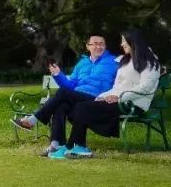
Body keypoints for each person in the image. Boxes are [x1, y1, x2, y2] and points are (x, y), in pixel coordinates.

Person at [49, 28, 161, 159]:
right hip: (117, 100)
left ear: (133, 42)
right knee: (81, 107)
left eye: (124, 41)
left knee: (82, 107)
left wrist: (120, 97)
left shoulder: (150, 62)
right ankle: (79, 147)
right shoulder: (125, 61)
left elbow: (146, 87)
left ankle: (71, 147)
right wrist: (100, 97)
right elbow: (116, 87)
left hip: (132, 104)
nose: (122, 44)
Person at [11, 34, 119, 156]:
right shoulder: (82, 63)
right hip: (77, 97)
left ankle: (33, 120)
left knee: (62, 93)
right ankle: (56, 145)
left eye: (101, 44)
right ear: (88, 46)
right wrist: (58, 75)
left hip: (96, 98)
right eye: (95, 44)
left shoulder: (113, 61)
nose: (99, 46)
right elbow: (70, 85)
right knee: (61, 106)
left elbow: (122, 81)